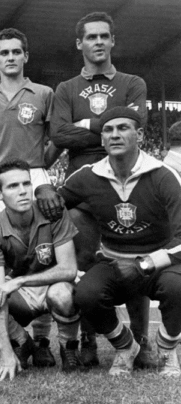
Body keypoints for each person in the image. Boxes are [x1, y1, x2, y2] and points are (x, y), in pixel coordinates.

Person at [36, 106, 181, 377]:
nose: (115, 135)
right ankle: (126, 346)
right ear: (102, 139)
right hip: (113, 260)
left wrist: (144, 264)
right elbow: (56, 201)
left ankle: (167, 348)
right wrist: (42, 189)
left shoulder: (163, 175)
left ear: (139, 135)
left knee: (178, 287)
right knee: (86, 294)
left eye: (123, 128)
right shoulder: (88, 175)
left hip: (158, 262)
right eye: (108, 130)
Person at [49, 11, 152, 368]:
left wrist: (85, 124)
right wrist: (111, 126)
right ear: (79, 43)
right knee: (83, 263)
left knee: (135, 262)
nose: (98, 42)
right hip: (82, 186)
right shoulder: (66, 89)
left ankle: (142, 342)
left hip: (127, 182)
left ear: (112, 41)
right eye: (91, 37)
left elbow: (137, 123)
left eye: (103, 36)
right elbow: (59, 134)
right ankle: (89, 340)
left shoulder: (132, 82)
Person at [0, 28, 58, 366]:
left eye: (16, 51)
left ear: (26, 56)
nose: (10, 57)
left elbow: (55, 138)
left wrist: (39, 167)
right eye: (4, 52)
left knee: (43, 255)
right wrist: (0, 171)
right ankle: (8, 338)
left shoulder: (44, 93)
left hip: (34, 176)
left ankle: (42, 340)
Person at [0, 159, 83, 382]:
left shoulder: (53, 212)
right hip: (22, 295)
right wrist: (4, 350)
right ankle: (22, 342)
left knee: (63, 294)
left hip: (54, 284)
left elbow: (69, 269)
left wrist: (21, 280)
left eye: (26, 183)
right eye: (13, 186)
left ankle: (68, 348)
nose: (23, 191)